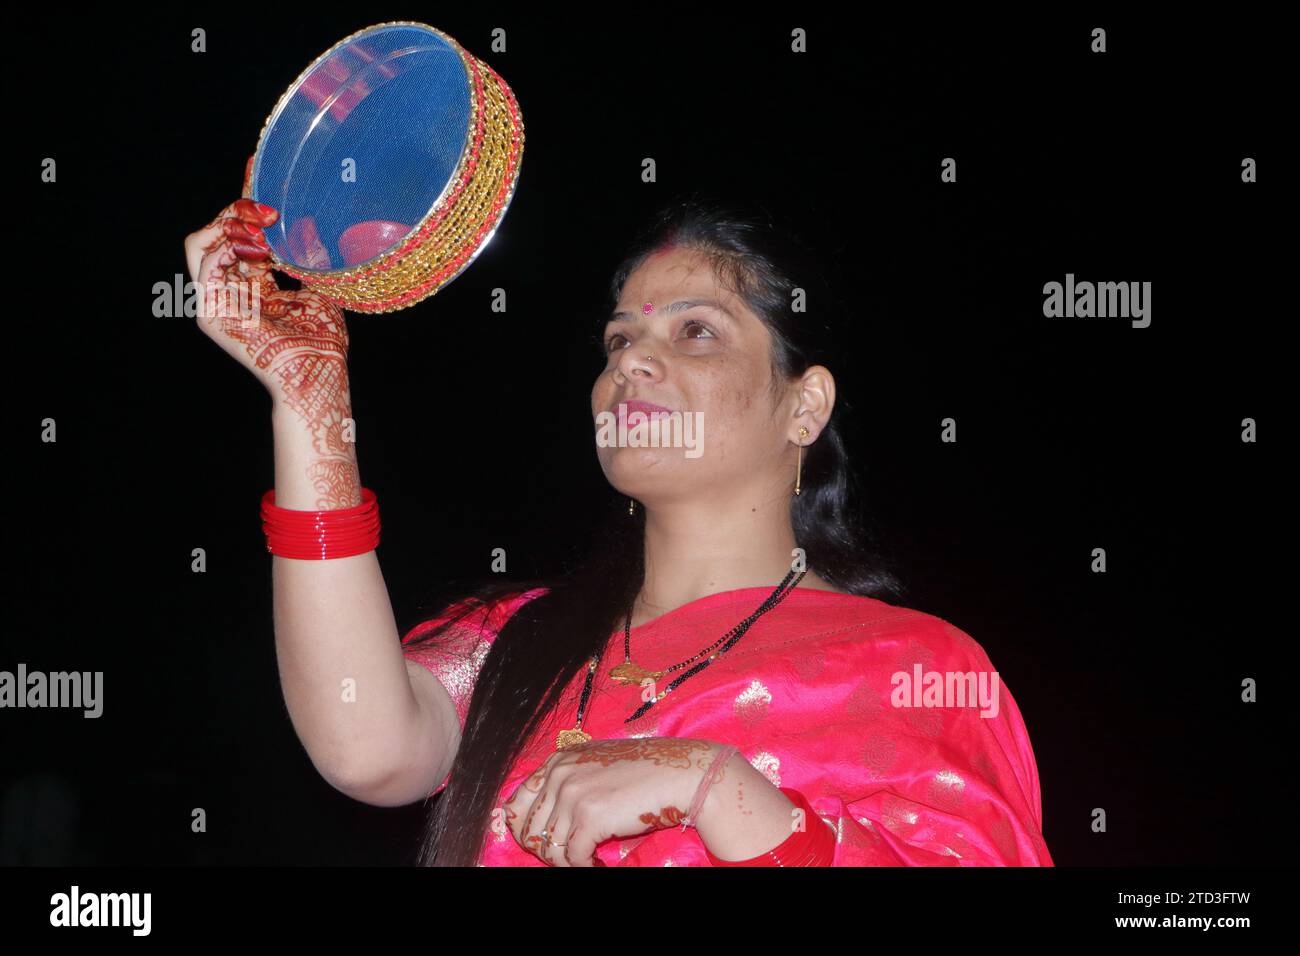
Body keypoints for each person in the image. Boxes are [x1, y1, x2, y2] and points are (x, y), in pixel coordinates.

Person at [185, 160, 1054, 867]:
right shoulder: (515, 643)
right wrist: (307, 402)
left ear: (805, 406)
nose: (633, 362)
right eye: (619, 340)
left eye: (696, 332)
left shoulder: (916, 669)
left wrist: (717, 790)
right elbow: (364, 746)